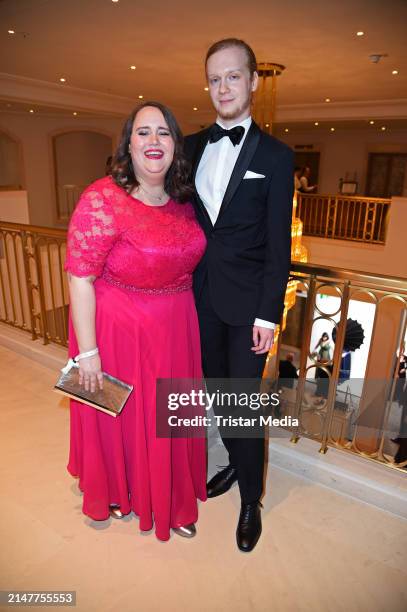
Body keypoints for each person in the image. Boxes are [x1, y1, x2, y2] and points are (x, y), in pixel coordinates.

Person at [64, 101, 207, 542]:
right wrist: (88, 353)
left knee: (170, 414)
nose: (153, 141)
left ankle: (172, 496)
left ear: (174, 145)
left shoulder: (184, 200)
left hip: (177, 325)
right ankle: (117, 489)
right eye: (143, 132)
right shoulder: (102, 198)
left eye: (163, 132)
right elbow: (80, 277)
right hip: (120, 327)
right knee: (122, 416)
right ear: (128, 143)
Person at [184, 38, 294, 552]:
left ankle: (251, 499)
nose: (223, 87)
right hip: (196, 299)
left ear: (253, 81)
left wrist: (268, 315)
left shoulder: (276, 155)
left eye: (232, 76)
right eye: (214, 78)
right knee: (217, 396)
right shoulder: (188, 146)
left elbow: (278, 246)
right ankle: (232, 463)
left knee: (241, 406)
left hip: (249, 306)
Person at [313, 332, 333, 404]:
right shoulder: (321, 340)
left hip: (326, 356)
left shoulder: (328, 341)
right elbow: (317, 346)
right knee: (320, 370)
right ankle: (318, 381)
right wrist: (314, 351)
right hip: (321, 355)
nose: (324, 338)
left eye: (325, 337)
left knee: (325, 370)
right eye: (323, 336)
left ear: (327, 337)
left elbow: (330, 349)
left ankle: (322, 394)